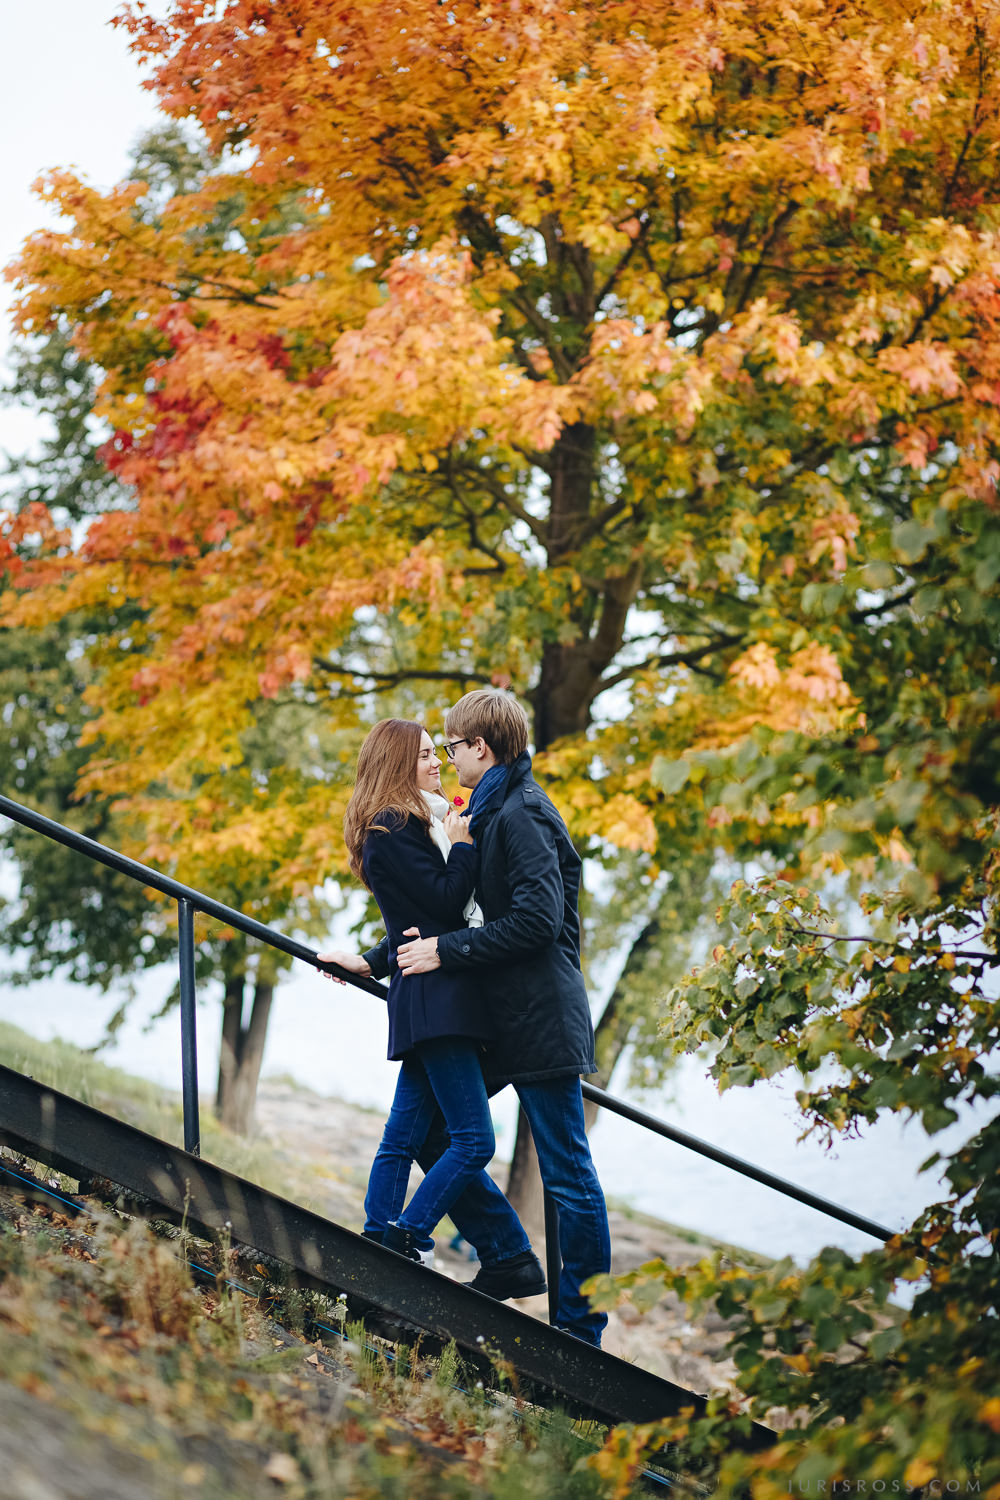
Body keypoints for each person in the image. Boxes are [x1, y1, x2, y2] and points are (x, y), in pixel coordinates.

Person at [394, 689, 611, 1347]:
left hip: (542, 1017)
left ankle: (580, 1330)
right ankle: (508, 1255)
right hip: (501, 1015)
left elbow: (540, 923)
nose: (449, 756)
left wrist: (446, 952)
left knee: (567, 1173)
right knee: (432, 1130)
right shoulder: (489, 809)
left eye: (452, 746)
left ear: (480, 748)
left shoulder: (522, 813)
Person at [318, 717, 546, 1297]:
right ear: (397, 765)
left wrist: (371, 961)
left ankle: (384, 1235)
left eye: (435, 752)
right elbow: (444, 901)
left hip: (438, 991)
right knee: (473, 1139)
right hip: (439, 997)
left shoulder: (413, 823)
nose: (436, 761)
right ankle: (406, 1235)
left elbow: (417, 918)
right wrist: (465, 847)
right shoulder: (393, 827)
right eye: (423, 755)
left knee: (407, 1134)